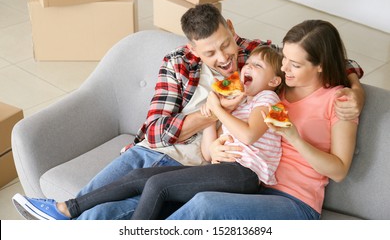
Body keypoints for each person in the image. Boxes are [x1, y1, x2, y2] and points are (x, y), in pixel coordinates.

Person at [15, 4, 364, 220]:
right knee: (138, 171)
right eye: (211, 52)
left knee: (183, 199)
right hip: (196, 158)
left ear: (231, 28)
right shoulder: (183, 65)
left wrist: (354, 85)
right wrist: (213, 122)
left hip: (258, 185)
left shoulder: (275, 70)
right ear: (193, 49)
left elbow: (319, 60)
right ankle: (66, 214)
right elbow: (155, 131)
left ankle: (69, 215)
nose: (225, 57)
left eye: (227, 43)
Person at [13, 45, 285, 220]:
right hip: (225, 169)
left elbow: (250, 135)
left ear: (274, 81)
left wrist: (215, 106)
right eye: (248, 64)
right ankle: (66, 209)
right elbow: (207, 148)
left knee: (156, 185)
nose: (247, 68)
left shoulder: (268, 100)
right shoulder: (241, 102)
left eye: (258, 67)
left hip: (244, 175)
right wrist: (214, 134)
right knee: (139, 176)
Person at [166, 19, 360, 220]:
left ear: (321, 65)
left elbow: (339, 171)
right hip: (250, 185)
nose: (284, 68)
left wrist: (295, 138)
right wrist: (214, 145)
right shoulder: (277, 87)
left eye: (294, 65)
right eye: (284, 58)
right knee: (175, 197)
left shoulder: (340, 101)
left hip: (295, 202)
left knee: (204, 205)